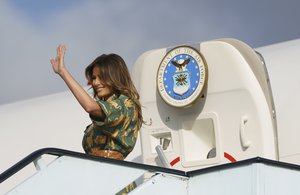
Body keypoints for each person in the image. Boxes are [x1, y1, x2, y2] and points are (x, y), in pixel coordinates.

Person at [50, 44, 143, 160]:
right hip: (97, 169)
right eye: (94, 78)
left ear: (115, 77)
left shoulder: (124, 104)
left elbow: (90, 107)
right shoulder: (110, 106)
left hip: (110, 171)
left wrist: (63, 72)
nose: (96, 83)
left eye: (101, 77)